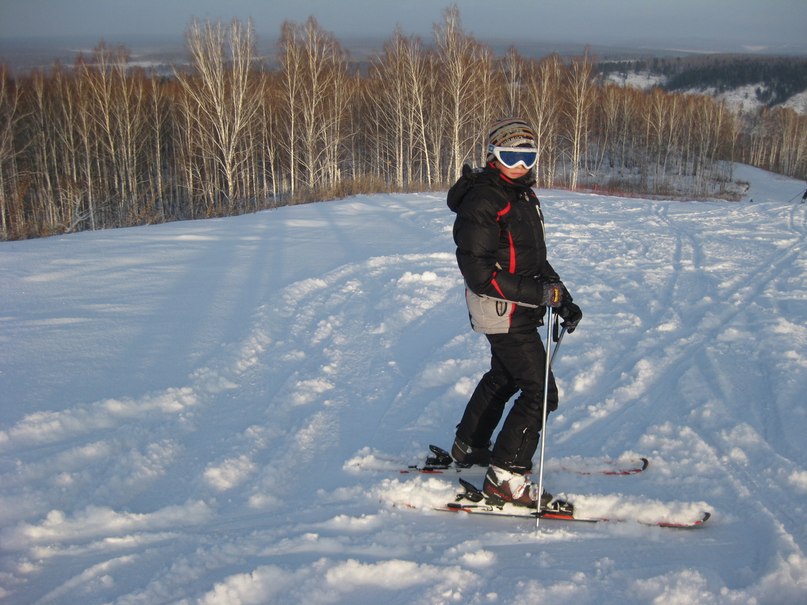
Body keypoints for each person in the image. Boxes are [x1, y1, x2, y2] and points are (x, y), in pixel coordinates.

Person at [446, 117, 582, 508]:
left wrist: (562, 297)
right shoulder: (485, 200)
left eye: (528, 156)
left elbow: (532, 260)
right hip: (500, 306)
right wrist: (539, 293)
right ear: (493, 155)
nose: (520, 165)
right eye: (511, 156)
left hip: (519, 303)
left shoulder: (520, 194)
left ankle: (469, 445)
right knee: (540, 392)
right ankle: (506, 477)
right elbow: (479, 273)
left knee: (505, 375)